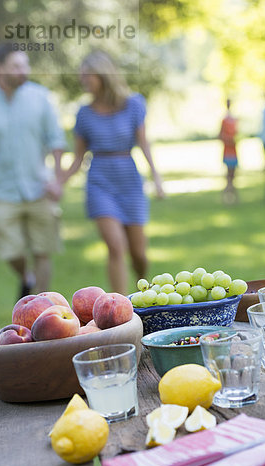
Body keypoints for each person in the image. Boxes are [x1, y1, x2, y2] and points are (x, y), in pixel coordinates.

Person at [60, 51, 164, 295]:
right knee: (116, 247)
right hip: (100, 182)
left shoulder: (133, 104)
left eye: (88, 75)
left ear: (104, 75)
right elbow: (78, 157)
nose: (83, 80)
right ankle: (121, 307)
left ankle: (142, 287)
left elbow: (144, 143)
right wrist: (59, 182)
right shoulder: (83, 114)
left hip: (129, 178)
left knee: (139, 254)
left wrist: (156, 178)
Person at [0, 43, 66, 299]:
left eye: (25, 64)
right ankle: (26, 277)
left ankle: (41, 303)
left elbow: (56, 140)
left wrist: (57, 179)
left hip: (38, 187)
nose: (24, 70)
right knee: (10, 251)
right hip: (2, 189)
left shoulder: (40, 97)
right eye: (16, 66)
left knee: (43, 250)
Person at [219, 98, 239, 204]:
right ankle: (227, 197)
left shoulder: (235, 120)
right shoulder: (224, 120)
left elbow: (238, 134)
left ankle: (233, 197)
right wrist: (228, 139)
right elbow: (220, 135)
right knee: (228, 175)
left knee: (233, 175)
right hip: (227, 151)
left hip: (234, 151)